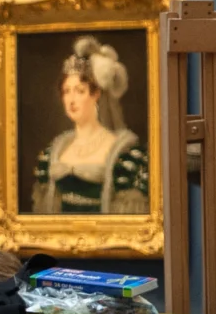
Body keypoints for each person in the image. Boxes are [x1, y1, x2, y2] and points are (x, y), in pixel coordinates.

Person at [33, 35, 150, 215]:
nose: (71, 100)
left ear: (96, 95)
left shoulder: (126, 156)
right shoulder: (52, 153)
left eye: (80, 91)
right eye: (66, 91)